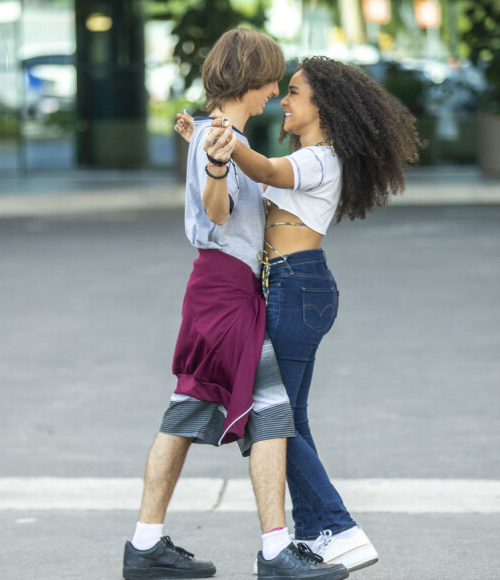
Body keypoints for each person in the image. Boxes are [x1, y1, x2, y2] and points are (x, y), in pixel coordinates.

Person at [181, 55, 424, 573]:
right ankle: (318, 533)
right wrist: (207, 142)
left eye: (294, 92)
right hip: (293, 288)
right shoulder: (311, 157)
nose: (283, 100)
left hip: (298, 287)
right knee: (289, 417)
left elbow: (265, 170)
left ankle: (339, 526)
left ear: (323, 107)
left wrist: (224, 136)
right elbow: (250, 192)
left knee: (272, 420)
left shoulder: (320, 159)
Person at [123, 31, 349, 580]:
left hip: (218, 289)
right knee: (272, 416)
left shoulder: (218, 135)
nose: (275, 90)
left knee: (185, 411)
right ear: (250, 79)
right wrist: (218, 168)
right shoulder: (218, 141)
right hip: (226, 289)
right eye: (272, 80)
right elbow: (218, 213)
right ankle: (275, 553)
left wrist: (212, 148)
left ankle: (145, 545)